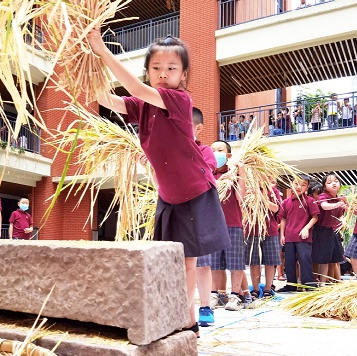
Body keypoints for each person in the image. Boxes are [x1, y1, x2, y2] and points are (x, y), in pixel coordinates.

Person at [87, 30, 230, 334]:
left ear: (184, 74)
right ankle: (180, 316)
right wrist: (87, 65)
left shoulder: (179, 99)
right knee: (172, 261)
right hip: (169, 196)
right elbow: (105, 99)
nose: (163, 74)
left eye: (171, 68)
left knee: (188, 262)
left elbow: (136, 88)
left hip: (194, 192)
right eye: (156, 68)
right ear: (148, 70)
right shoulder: (144, 106)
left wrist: (102, 51)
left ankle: (187, 320)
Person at [202, 140, 247, 312]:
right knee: (214, 263)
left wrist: (240, 170)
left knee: (235, 262)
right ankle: (214, 294)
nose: (215, 153)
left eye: (219, 150)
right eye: (212, 150)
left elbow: (240, 198)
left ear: (228, 155)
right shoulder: (207, 174)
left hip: (233, 222)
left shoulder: (234, 174)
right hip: (211, 224)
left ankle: (235, 296)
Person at [192, 107, 217, 327]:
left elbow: (204, 175)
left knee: (201, 264)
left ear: (198, 128)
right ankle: (184, 308)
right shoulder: (166, 149)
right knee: (180, 264)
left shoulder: (205, 151)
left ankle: (205, 306)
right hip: (174, 211)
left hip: (199, 214)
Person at [278, 175, 320, 292]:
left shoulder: (310, 201)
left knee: (305, 259)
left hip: (303, 237)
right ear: (291, 185)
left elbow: (315, 217)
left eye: (303, 184)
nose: (299, 187)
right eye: (296, 183)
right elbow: (283, 219)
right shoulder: (286, 202)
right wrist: (282, 235)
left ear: (307, 187)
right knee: (289, 261)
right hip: (289, 237)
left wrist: (306, 228)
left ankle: (309, 284)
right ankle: (291, 284)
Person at [246, 180, 282, 306]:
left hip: (270, 230)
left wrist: (260, 196)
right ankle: (255, 289)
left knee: (270, 262)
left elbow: (276, 208)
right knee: (254, 261)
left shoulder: (273, 191)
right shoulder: (247, 187)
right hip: (252, 230)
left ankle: (268, 289)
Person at [312, 173, 347, 285]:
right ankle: (315, 282)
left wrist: (345, 202)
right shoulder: (323, 196)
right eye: (329, 182)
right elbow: (324, 206)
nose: (333, 183)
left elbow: (342, 214)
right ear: (324, 186)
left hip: (331, 231)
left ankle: (323, 283)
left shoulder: (338, 198)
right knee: (321, 258)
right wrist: (338, 204)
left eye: (336, 181)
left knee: (330, 259)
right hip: (319, 230)